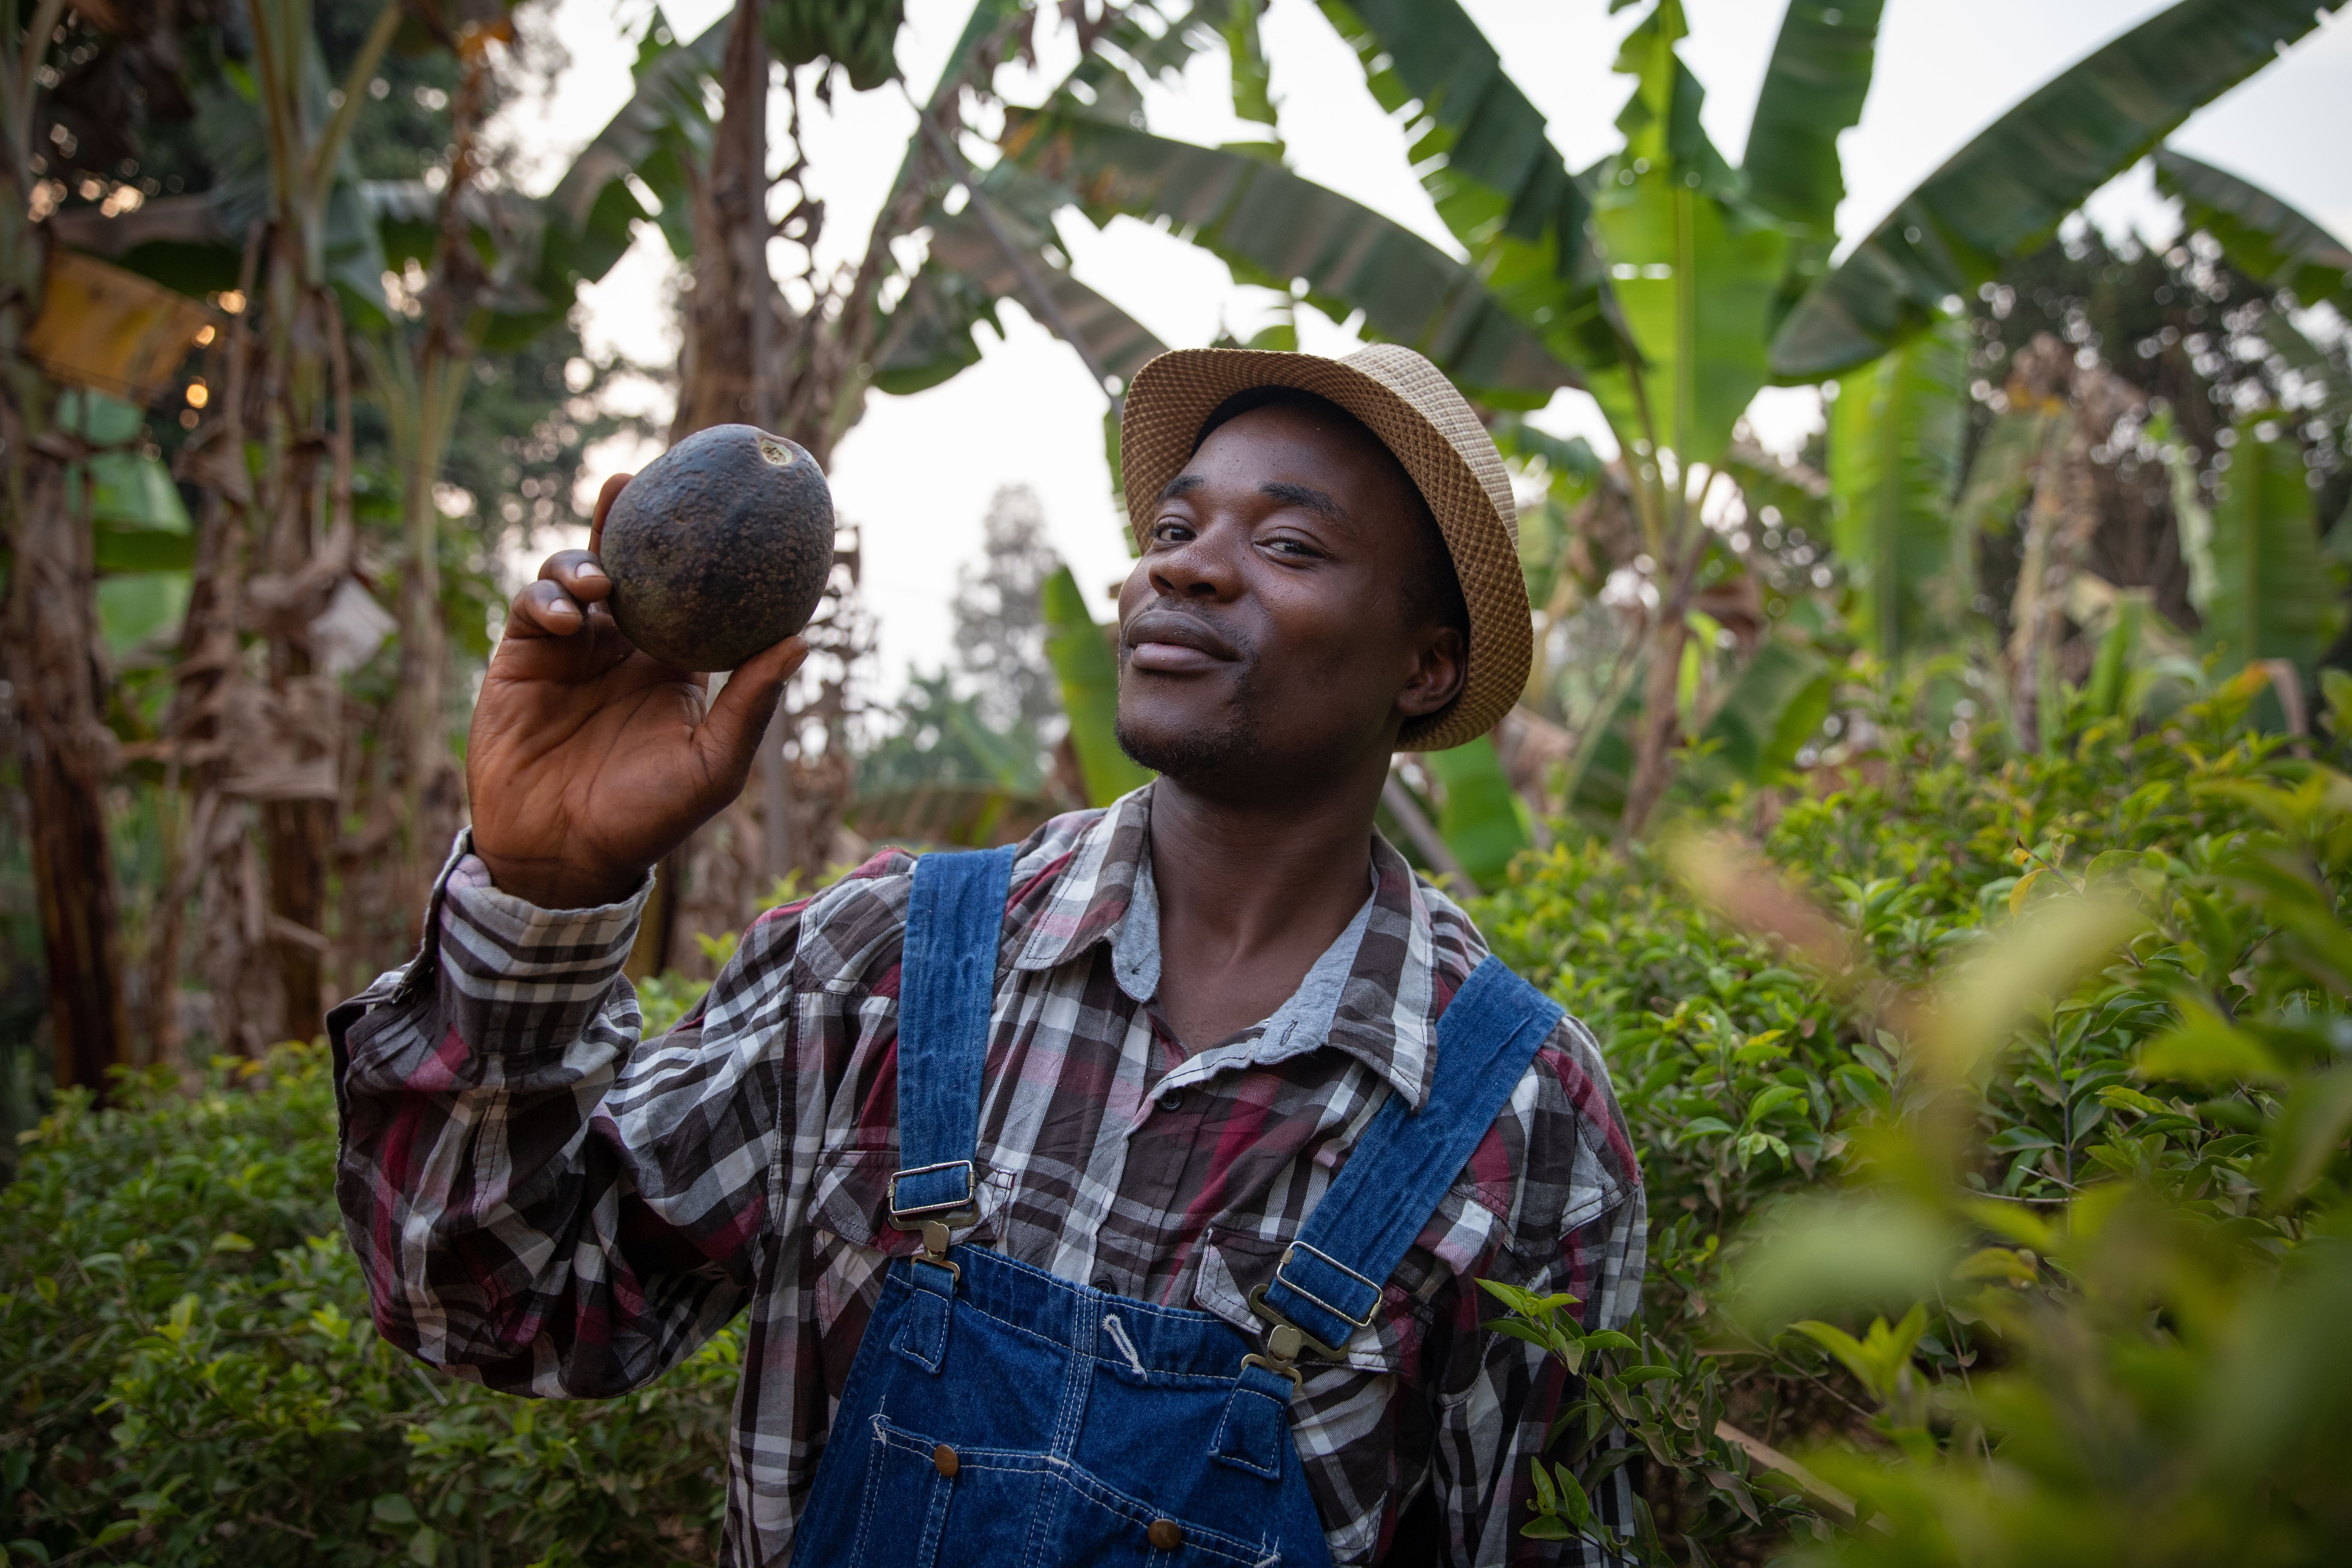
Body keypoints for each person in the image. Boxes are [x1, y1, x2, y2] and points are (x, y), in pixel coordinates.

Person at [331, 343, 1645, 1567]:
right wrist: (545, 887)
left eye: (1290, 543)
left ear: (1426, 669)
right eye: (1174, 531)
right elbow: (497, 1298)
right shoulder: (884, 962)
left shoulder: (1521, 1123)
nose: (1180, 571)